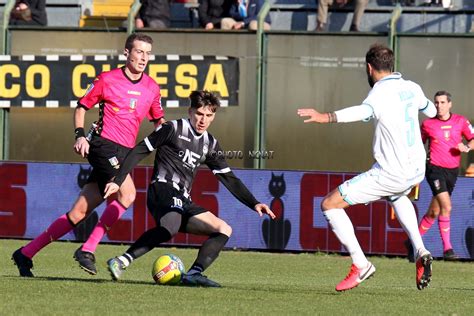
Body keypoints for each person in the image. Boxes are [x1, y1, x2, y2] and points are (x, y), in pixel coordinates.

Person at [11, 33, 165, 277]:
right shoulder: (107, 79)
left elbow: (159, 122)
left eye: (147, 53)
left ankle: (26, 253)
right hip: (103, 146)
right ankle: (87, 249)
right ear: (127, 53)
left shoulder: (152, 88)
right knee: (128, 194)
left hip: (124, 153)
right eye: (139, 52)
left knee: (78, 213)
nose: (143, 57)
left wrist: (171, 139)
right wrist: (80, 136)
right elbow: (82, 107)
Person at [297, 43, 437, 292]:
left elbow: (362, 111)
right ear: (392, 65)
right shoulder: (412, 87)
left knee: (329, 204)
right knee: (397, 195)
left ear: (369, 68)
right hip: (416, 169)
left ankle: (361, 265)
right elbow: (432, 110)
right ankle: (420, 250)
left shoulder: (379, 94)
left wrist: (325, 116)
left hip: (391, 172)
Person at [103, 90, 275, 287]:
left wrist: (254, 203)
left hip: (184, 199)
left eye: (209, 115)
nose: (203, 120)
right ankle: (120, 261)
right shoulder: (172, 129)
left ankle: (194, 274)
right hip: (163, 189)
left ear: (214, 116)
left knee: (223, 229)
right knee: (170, 228)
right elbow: (140, 150)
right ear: (190, 111)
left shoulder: (210, 144)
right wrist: (118, 179)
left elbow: (229, 178)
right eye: (199, 114)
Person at [405, 91, 474, 262]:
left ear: (449, 104)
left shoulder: (461, 121)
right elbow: (417, 145)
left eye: (443, 102)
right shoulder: (428, 124)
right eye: (436, 102)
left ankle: (412, 243)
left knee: (434, 211)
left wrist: (467, 147)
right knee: (447, 206)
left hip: (452, 171)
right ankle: (448, 249)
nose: (439, 106)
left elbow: (473, 138)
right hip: (434, 169)